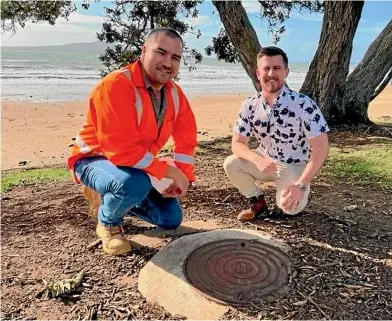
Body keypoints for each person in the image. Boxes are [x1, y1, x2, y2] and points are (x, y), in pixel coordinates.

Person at [67, 27, 197, 255]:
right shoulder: (115, 84)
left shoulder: (175, 93)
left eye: (175, 57)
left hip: (135, 166)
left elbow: (186, 136)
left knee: (170, 219)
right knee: (132, 185)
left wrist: (184, 175)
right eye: (161, 53)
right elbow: (120, 150)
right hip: (94, 160)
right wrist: (168, 171)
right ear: (144, 51)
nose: (168, 63)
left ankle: (114, 197)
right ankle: (108, 224)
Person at [223, 46, 330, 221]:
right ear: (258, 74)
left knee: (289, 208)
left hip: (294, 164)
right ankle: (258, 204)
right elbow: (237, 143)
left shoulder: (303, 104)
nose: (271, 73)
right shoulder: (250, 105)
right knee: (231, 164)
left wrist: (301, 186)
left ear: (286, 72)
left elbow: (321, 148)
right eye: (266, 68)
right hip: (265, 159)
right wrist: (257, 159)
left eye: (277, 68)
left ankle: (292, 192)